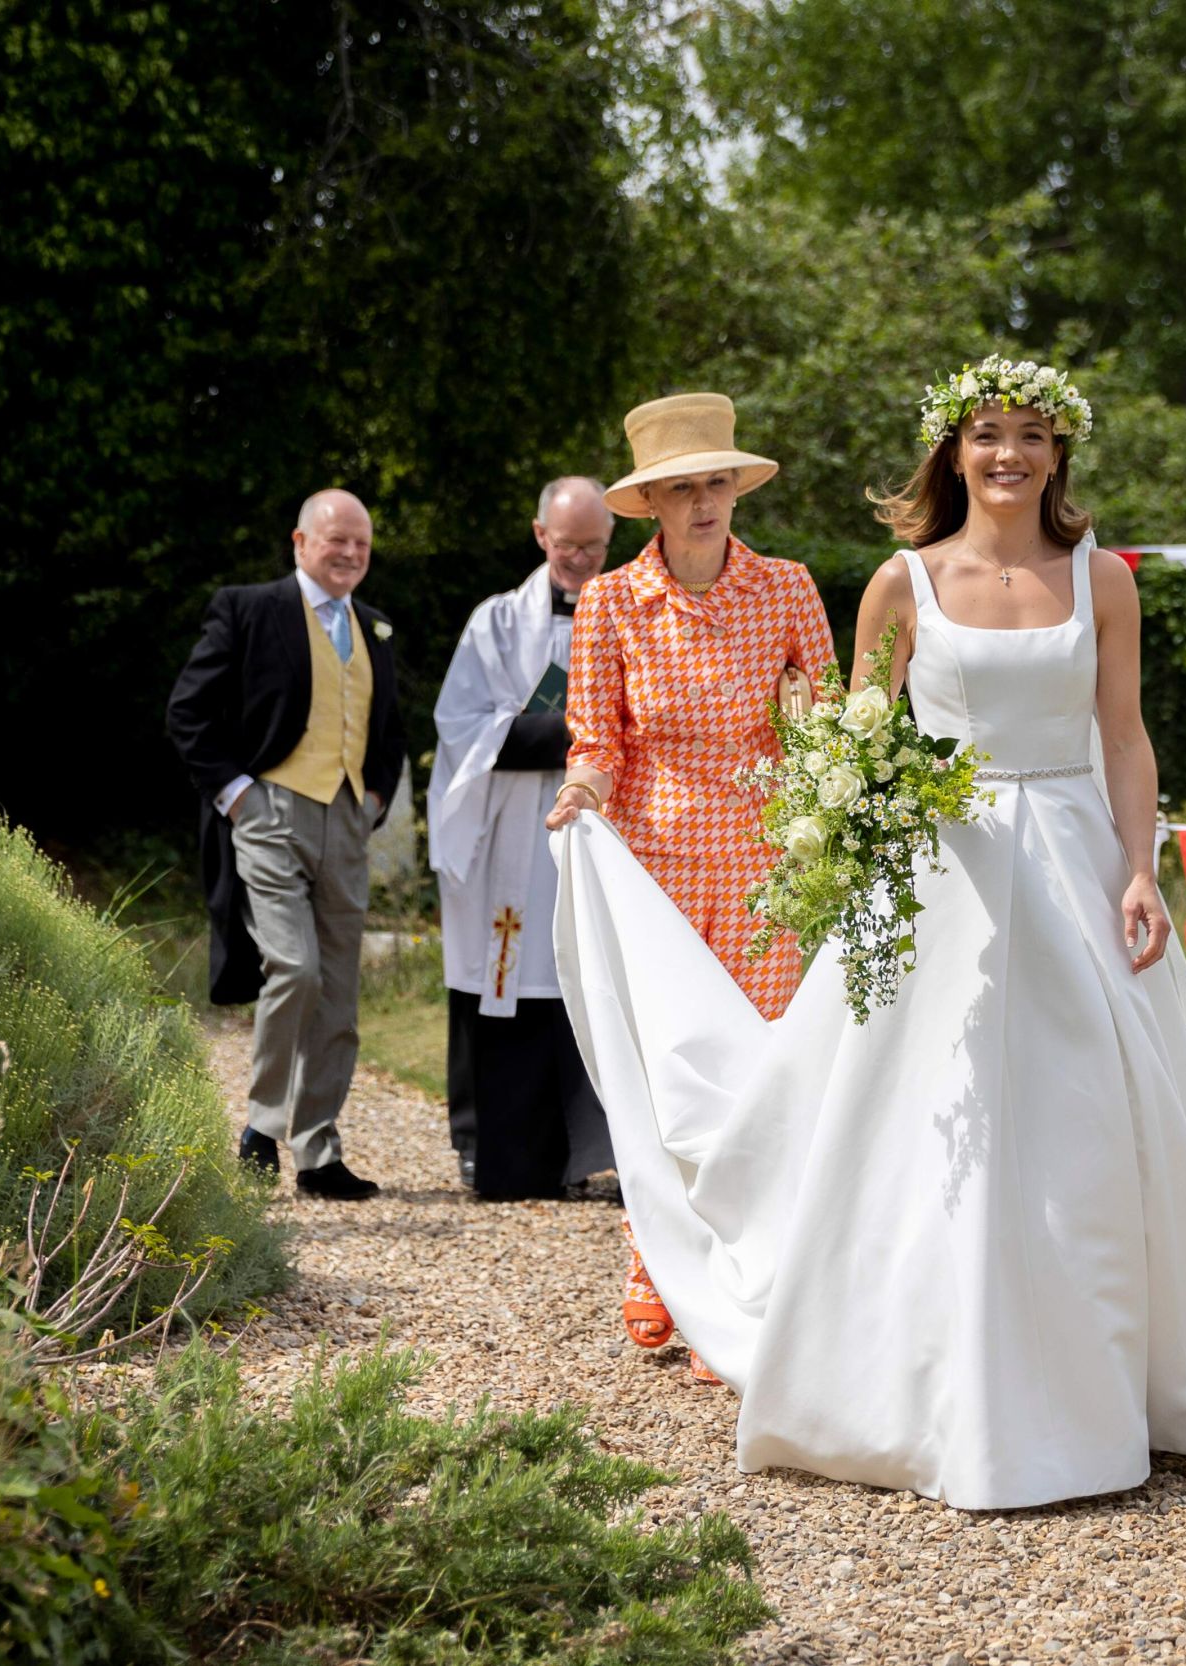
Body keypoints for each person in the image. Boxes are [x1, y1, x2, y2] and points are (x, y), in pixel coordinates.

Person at [550, 356, 1186, 1507]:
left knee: (1090, 1112)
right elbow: (853, 742)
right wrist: (847, 841)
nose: (1009, 455)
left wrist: (1140, 872)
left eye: (1031, 437)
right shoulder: (899, 583)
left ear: (1060, 456)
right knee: (925, 1122)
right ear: (952, 452)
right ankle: (924, 1376)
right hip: (937, 872)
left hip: (1072, 855)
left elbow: (1128, 739)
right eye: (986, 433)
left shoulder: (1105, 580)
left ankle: (1125, 1378)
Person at [544, 393, 837, 1379]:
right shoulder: (612, 603)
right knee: (673, 1078)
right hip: (657, 876)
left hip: (767, 878)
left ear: (734, 489)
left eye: (717, 481)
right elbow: (598, 742)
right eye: (683, 486)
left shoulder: (790, 588)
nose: (704, 500)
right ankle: (653, 1258)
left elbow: (831, 723)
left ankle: (744, 1290)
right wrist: (579, 795)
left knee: (759, 1081)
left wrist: (821, 753)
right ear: (653, 503)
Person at [167, 488, 406, 1201]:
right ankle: (260, 1128)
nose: (350, 554)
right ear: (299, 541)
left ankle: (320, 1151)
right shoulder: (248, 608)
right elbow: (189, 711)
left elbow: (388, 726)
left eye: (361, 544)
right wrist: (237, 793)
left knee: (338, 992)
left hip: (347, 819)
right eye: (337, 540)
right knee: (295, 968)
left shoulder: (375, 627)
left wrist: (375, 799)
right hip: (269, 811)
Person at [427, 476, 616, 1200]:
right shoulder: (497, 623)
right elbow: (463, 725)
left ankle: (595, 1158)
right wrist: (582, 735)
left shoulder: (634, 610)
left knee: (593, 990)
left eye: (593, 546)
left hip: (604, 835)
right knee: (508, 987)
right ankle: (506, 1159)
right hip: (514, 835)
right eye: (567, 545)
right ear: (541, 536)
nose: (579, 560)